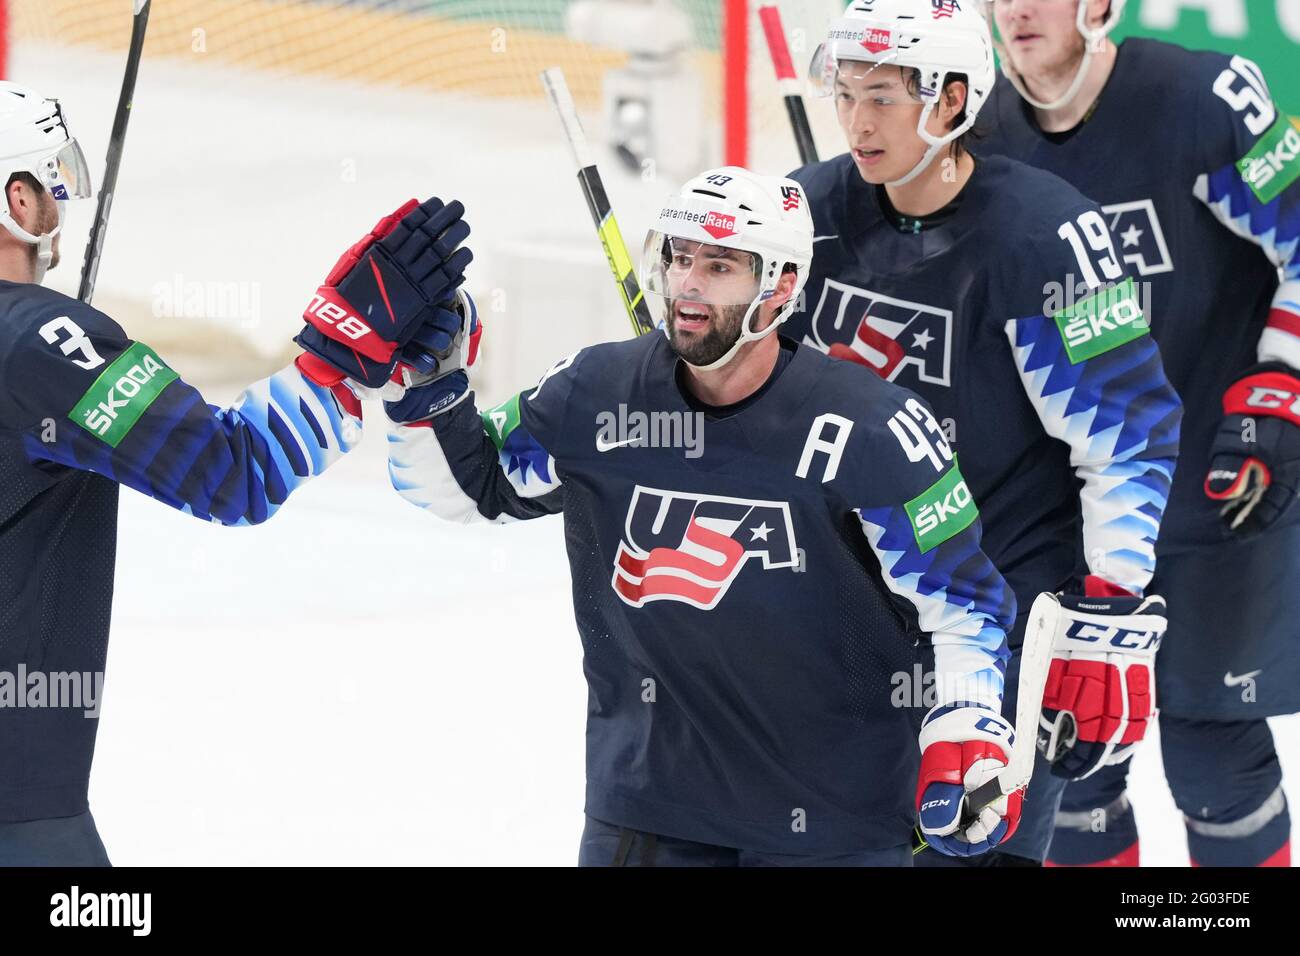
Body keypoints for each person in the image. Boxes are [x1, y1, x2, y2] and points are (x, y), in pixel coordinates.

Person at [372, 166, 1023, 865]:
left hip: (835, 823)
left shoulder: (872, 429)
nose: (688, 282)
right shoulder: (597, 392)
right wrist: (429, 386)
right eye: (681, 258)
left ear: (779, 285)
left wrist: (966, 722)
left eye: (719, 265)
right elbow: (471, 487)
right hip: (647, 810)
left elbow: (964, 609)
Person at [0, 81, 470, 864]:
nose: (62, 206)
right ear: (18, 199)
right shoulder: (37, 339)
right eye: (54, 183)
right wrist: (342, 353)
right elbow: (234, 474)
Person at [783, 0, 1184, 865]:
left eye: (883, 96)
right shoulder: (807, 213)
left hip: (995, 618)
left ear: (955, 99)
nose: (857, 120)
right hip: (841, 610)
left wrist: (1108, 615)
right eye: (847, 92)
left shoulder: (1046, 236)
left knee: (971, 850)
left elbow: (1128, 432)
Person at [978, 0, 1300, 867]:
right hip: (1072, 509)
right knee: (1070, 766)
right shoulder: (980, 135)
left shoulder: (1202, 99)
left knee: (1213, 760)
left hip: (1216, 492)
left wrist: (1280, 387)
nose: (1015, 8)